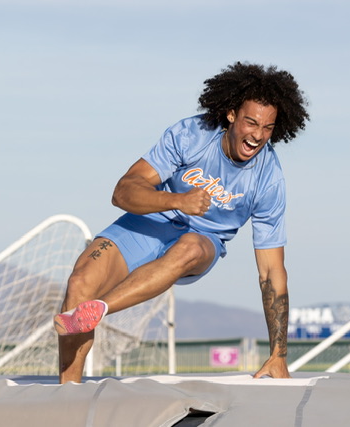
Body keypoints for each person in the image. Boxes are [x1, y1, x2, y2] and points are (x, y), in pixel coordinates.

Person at [54, 61, 309, 384]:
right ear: (231, 114)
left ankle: (98, 310)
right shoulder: (193, 134)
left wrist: (279, 353)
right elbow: (123, 192)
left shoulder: (268, 178)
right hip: (150, 222)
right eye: (251, 122)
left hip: (202, 242)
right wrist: (177, 200)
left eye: (268, 128)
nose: (258, 136)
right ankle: (68, 394)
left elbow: (271, 272)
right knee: (80, 282)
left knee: (190, 246)